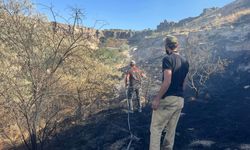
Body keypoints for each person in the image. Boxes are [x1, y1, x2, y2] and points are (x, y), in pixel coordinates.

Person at [149, 35, 189, 150]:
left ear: (167, 46)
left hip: (168, 99)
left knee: (156, 128)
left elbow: (167, 81)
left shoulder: (167, 59)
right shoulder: (185, 62)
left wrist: (157, 99)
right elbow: (184, 83)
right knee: (171, 130)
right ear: (178, 45)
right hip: (180, 100)